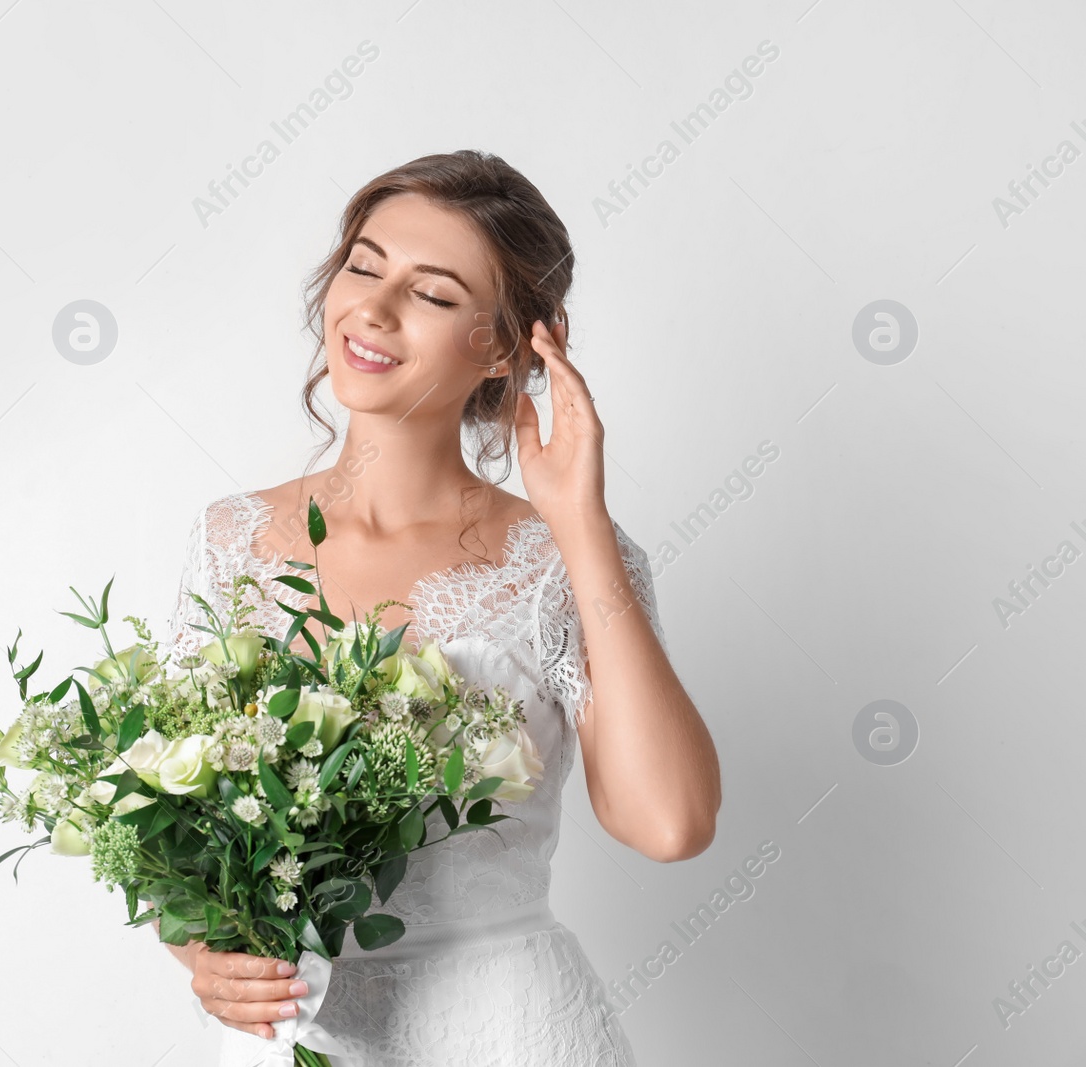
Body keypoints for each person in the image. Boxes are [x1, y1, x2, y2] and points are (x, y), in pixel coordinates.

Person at [161, 150, 720, 1066]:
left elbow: (671, 823)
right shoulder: (227, 541)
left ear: (505, 344)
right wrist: (201, 954)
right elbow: (178, 828)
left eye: (433, 293)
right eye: (364, 265)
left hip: (504, 1030)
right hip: (296, 1037)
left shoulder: (566, 559)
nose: (373, 310)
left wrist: (581, 525)